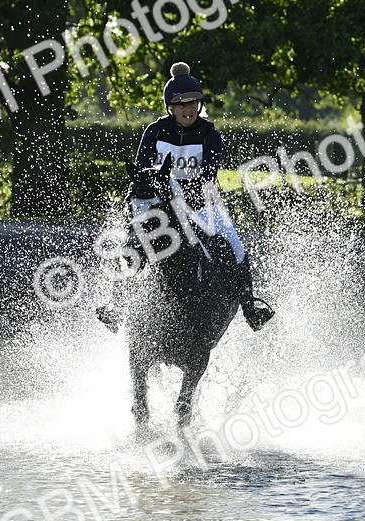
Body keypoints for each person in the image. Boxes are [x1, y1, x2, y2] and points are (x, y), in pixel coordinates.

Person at [96, 61, 275, 332]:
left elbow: (207, 178)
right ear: (170, 107)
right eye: (181, 104)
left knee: (235, 245)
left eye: (193, 103)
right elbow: (142, 173)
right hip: (158, 206)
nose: (188, 109)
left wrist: (181, 197)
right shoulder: (154, 132)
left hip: (200, 205)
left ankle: (250, 307)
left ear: (200, 105)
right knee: (133, 245)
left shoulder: (209, 135)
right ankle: (116, 307)